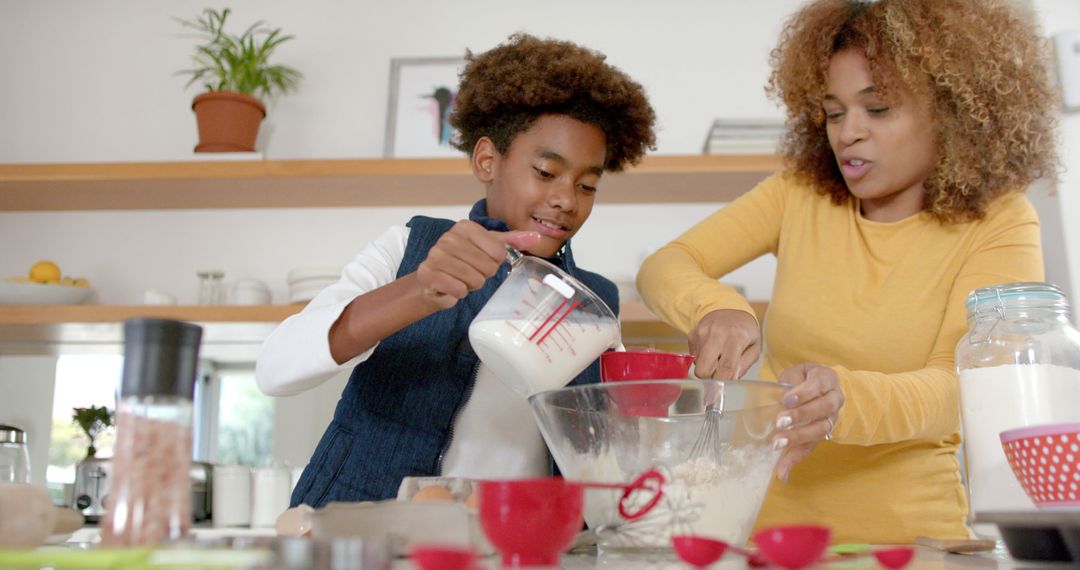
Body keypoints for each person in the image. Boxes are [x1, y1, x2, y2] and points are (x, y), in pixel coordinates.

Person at [636, 0, 1057, 544]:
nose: (848, 134)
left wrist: (844, 401)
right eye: (834, 113)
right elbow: (667, 264)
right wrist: (717, 307)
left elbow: (964, 386)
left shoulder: (1000, 221)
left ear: (951, 112)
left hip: (911, 543)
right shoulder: (800, 194)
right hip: (764, 536)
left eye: (878, 109)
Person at [257, 33, 656, 507]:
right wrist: (420, 290)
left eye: (587, 185)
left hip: (512, 548)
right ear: (487, 160)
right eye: (546, 173)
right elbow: (276, 371)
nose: (566, 200)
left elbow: (607, 461)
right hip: (369, 539)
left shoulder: (594, 304)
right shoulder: (412, 247)